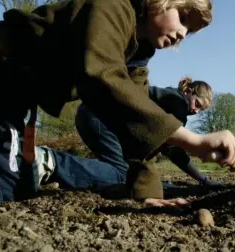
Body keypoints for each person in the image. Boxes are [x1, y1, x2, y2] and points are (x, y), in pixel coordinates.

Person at [0, 0, 235, 214]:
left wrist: (146, 190)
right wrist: (193, 140)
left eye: (190, 32)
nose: (182, 34)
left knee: (7, 189)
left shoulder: (137, 57)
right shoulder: (111, 8)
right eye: (184, 18)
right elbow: (102, 78)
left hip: (8, 98)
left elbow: (135, 122)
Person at [51, 75, 224, 196]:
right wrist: (203, 179)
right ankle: (52, 163)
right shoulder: (178, 103)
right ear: (189, 90)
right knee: (122, 175)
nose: (195, 110)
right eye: (197, 103)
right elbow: (173, 151)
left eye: (200, 110)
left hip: (93, 113)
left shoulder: (167, 98)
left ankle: (62, 170)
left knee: (122, 171)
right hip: (100, 118)